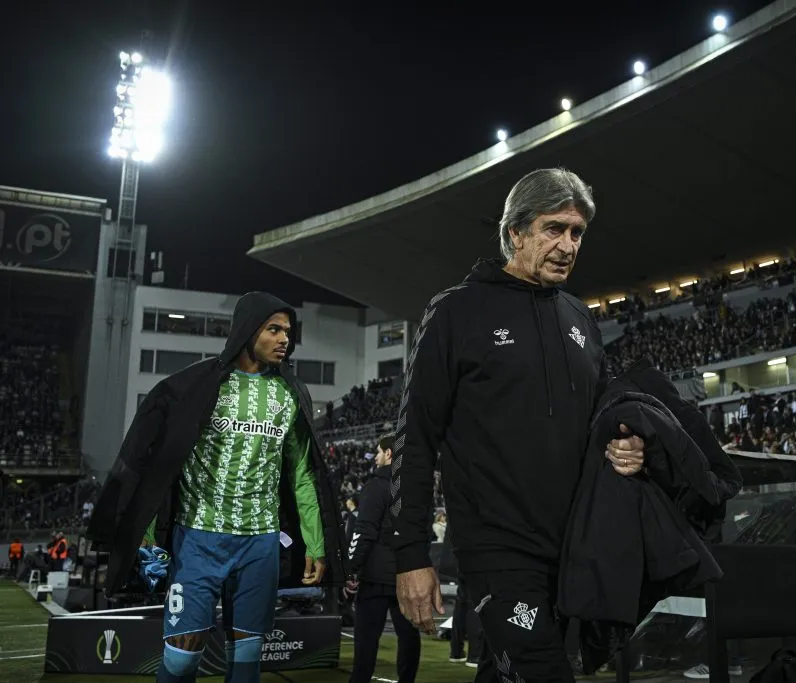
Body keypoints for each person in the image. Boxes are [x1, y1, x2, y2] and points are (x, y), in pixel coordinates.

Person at [391, 168, 645, 682]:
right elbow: (414, 439)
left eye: (577, 233)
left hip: (572, 546)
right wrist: (410, 556)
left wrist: (629, 445)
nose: (568, 245)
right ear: (515, 233)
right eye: (554, 229)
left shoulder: (580, 320)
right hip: (497, 549)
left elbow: (603, 421)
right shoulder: (456, 311)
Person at [87, 292, 344, 683]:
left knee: (247, 656)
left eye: (288, 332)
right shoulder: (201, 387)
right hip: (199, 539)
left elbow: (303, 474)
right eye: (274, 329)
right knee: (184, 652)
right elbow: (161, 463)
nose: (284, 340)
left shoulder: (290, 394)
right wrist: (148, 534)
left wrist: (316, 543)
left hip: (260, 543)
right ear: (247, 330)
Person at [347, 433, 421, 683]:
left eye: (379, 451)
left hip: (377, 576)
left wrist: (352, 568)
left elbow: (364, 530)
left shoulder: (375, 486)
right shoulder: (415, 486)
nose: (376, 456)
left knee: (367, 639)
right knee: (409, 636)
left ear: (389, 454)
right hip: (407, 573)